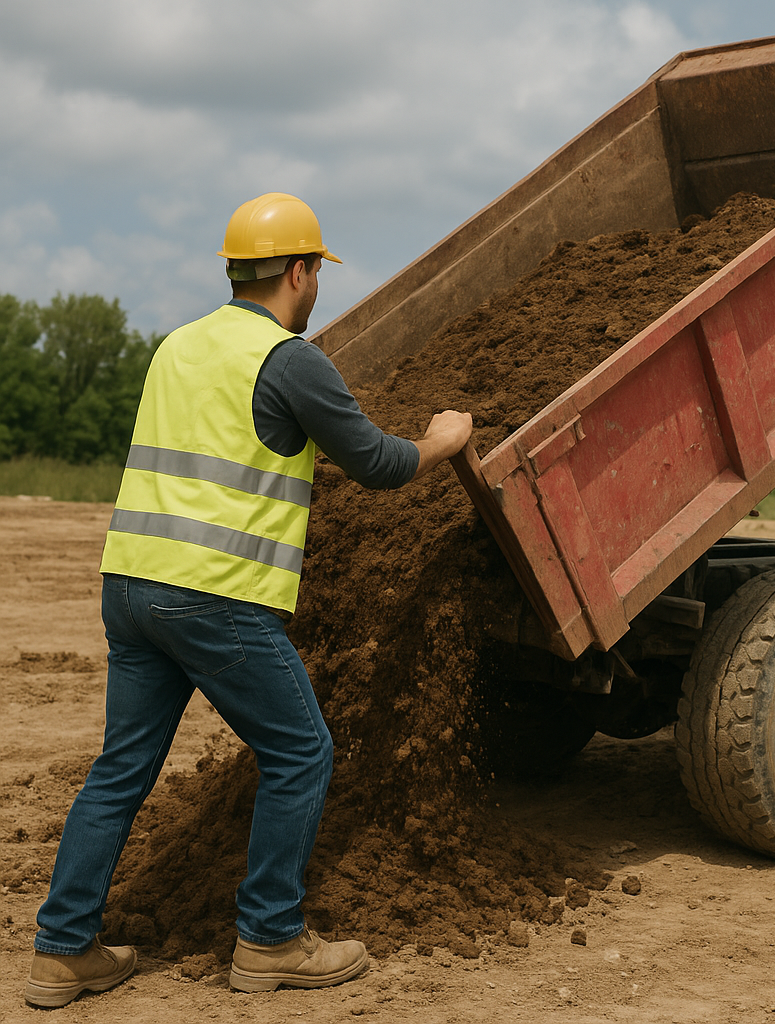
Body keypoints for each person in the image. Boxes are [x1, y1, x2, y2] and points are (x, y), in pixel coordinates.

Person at [24, 193, 473, 1008]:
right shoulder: (289, 359)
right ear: (299, 272)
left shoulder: (176, 346)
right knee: (302, 752)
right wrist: (442, 440)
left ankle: (62, 949)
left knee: (121, 769)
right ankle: (271, 938)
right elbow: (376, 464)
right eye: (316, 271)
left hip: (130, 584)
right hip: (213, 597)